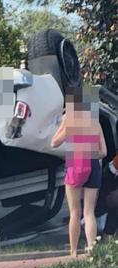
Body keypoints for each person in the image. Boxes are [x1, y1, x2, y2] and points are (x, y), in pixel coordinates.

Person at [51, 87, 107, 257]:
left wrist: (64, 123)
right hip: (93, 166)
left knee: (75, 212)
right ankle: (91, 250)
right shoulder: (95, 122)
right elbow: (103, 152)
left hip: (75, 163)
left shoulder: (71, 121)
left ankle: (73, 251)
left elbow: (54, 143)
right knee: (89, 212)